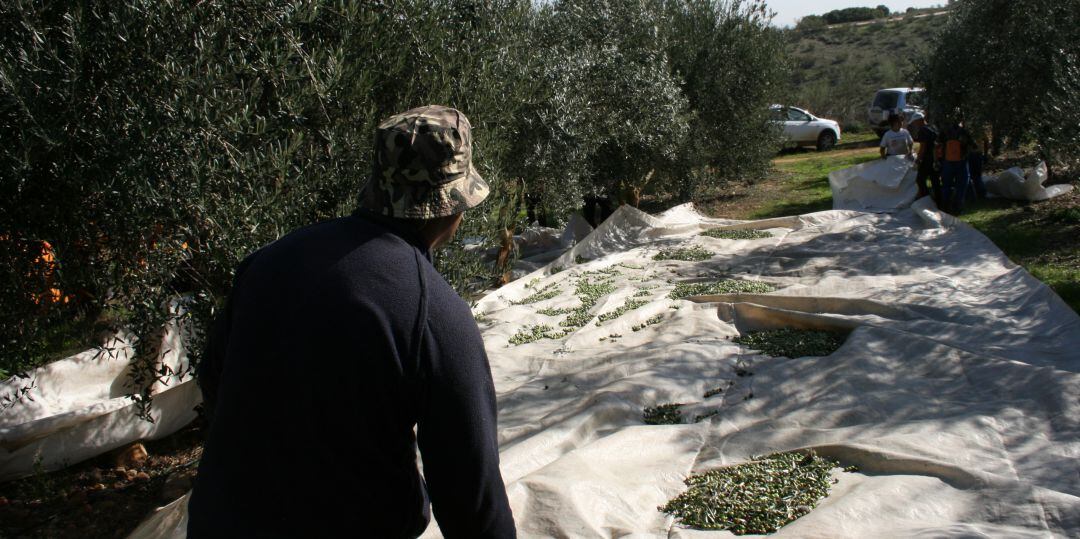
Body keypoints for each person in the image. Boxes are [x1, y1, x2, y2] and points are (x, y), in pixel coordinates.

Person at [189, 105, 516, 538]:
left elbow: (213, 381)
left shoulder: (270, 261)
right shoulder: (434, 311)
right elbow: (472, 493)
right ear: (455, 207)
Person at [939, 116, 975, 214]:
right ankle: (957, 208)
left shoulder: (944, 132)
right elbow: (973, 145)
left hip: (947, 161)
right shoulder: (964, 131)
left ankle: (945, 206)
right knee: (961, 186)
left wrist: (938, 160)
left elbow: (938, 146)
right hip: (961, 161)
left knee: (946, 185)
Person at [908, 112, 941, 204]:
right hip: (936, 158)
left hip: (927, 159)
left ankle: (927, 199)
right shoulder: (933, 127)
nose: (914, 124)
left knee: (920, 179)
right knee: (935, 181)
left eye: (915, 122)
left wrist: (918, 160)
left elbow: (923, 147)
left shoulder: (923, 130)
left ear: (919, 121)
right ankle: (939, 201)